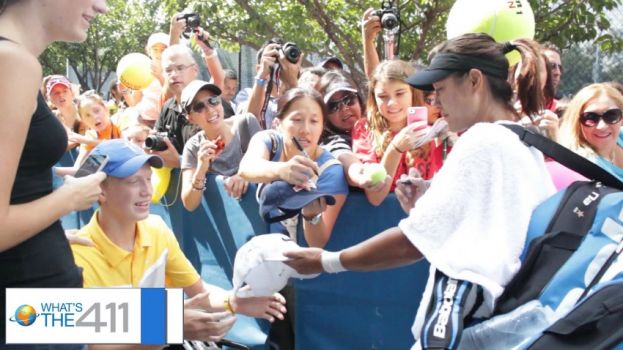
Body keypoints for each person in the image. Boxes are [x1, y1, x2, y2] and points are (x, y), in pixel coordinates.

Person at [283, 33, 556, 349]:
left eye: (440, 90)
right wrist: (427, 203)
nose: (435, 103)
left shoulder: (481, 141)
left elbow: (409, 244)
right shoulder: (521, 139)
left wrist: (326, 261)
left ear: (474, 81)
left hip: (474, 321)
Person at [70, 140, 286, 347]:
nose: (147, 190)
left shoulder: (155, 228)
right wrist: (170, 326)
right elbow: (95, 344)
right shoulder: (77, 257)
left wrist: (236, 302)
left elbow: (199, 292)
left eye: (148, 178)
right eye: (133, 181)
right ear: (100, 190)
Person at [0, 0, 108, 344]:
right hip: (28, 315)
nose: (101, 6)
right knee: (172, 319)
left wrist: (47, 226)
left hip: (33, 310)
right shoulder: (12, 62)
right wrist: (68, 199)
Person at [351, 60, 436, 205]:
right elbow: (375, 198)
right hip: (381, 220)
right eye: (383, 96)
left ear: (413, 92)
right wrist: (395, 148)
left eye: (400, 93)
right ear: (374, 98)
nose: (391, 103)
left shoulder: (433, 128)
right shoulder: (364, 128)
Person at [180, 80, 261, 210]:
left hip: (261, 216)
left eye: (213, 100)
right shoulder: (194, 147)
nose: (210, 109)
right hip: (228, 224)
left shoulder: (246, 124)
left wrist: (245, 175)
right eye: (199, 107)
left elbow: (269, 166)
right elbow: (189, 204)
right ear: (190, 118)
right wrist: (201, 169)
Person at [558, 83, 623, 179]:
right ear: (576, 122)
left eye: (611, 115)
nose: (602, 126)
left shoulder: (620, 136)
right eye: (590, 117)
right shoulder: (587, 166)